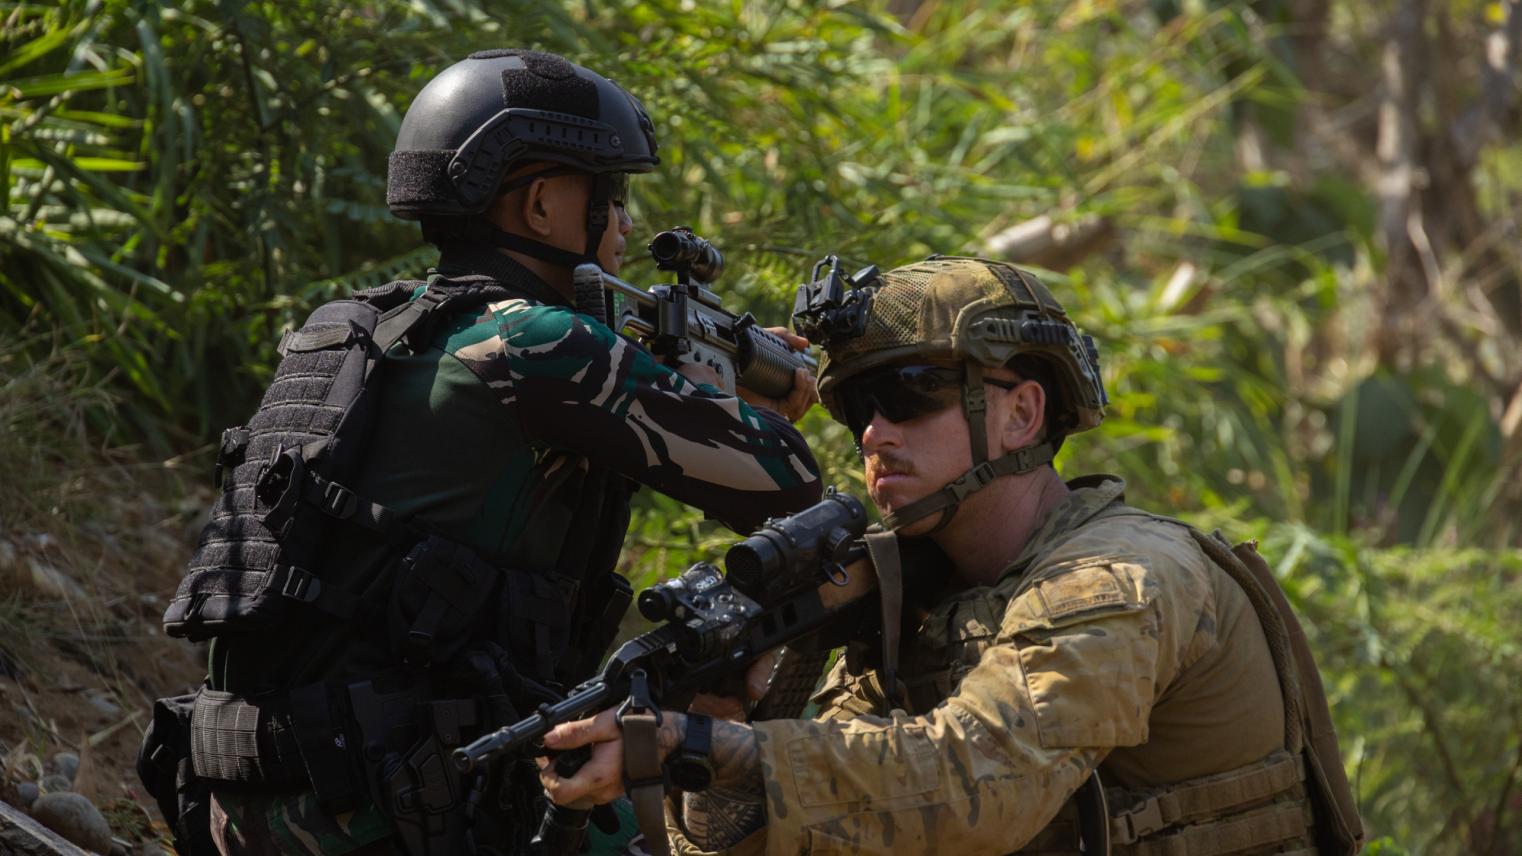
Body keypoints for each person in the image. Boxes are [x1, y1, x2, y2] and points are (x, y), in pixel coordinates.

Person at [147, 49, 822, 855]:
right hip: (391, 808)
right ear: (542, 206)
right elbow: (789, 482)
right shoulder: (539, 343)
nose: (628, 227)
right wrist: (753, 404)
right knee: (749, 815)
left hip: (244, 797)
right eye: (612, 196)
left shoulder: (355, 326)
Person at [538, 255, 1364, 855]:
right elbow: (859, 816)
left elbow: (982, 781)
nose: (873, 433)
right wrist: (732, 740)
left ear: (1020, 414)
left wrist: (705, 748)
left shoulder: (1123, 577)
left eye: (908, 395)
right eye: (859, 406)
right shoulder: (917, 603)